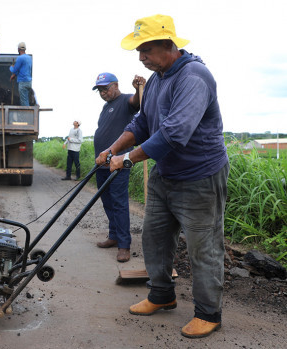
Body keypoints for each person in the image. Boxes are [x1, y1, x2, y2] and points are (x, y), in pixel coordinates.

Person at [95, 14, 229, 338]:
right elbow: (141, 124)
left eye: (147, 49)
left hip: (199, 177)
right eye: (139, 50)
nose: (141, 57)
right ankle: (161, 295)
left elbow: (173, 134)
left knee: (203, 248)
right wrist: (111, 150)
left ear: (169, 44)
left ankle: (209, 313)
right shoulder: (157, 79)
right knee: (153, 238)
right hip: (164, 175)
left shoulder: (194, 77)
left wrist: (126, 159)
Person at [92, 72, 145, 263]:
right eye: (100, 90)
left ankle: (124, 245)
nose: (103, 93)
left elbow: (136, 102)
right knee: (107, 201)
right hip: (102, 164)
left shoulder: (125, 101)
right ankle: (113, 236)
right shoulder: (106, 107)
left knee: (119, 203)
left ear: (116, 85)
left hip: (119, 163)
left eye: (105, 88)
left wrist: (138, 89)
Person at [9, 42, 33, 106]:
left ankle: (27, 115)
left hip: (23, 82)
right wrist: (14, 75)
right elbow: (22, 69)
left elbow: (14, 70)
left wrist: (11, 67)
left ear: (19, 49)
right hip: (29, 82)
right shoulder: (29, 58)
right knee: (26, 99)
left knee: (24, 102)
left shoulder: (20, 58)